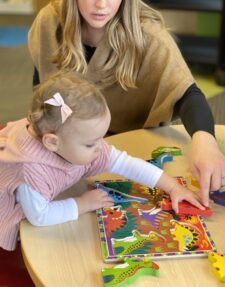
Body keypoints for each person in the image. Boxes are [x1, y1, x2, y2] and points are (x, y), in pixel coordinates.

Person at [27, 0, 225, 207]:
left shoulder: (149, 34)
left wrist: (206, 141)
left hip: (127, 148)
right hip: (66, 147)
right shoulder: (49, 22)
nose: (101, 4)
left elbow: (187, 93)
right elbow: (41, 85)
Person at [0, 71, 205, 251]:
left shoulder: (71, 139)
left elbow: (125, 163)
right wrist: (83, 204)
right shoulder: (29, 171)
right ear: (53, 143)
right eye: (90, 144)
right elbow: (39, 216)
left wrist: (172, 187)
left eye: (102, 136)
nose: (101, 147)